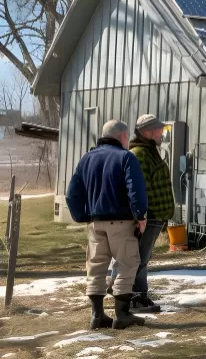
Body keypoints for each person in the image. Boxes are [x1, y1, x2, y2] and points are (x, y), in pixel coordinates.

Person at [65, 120, 149, 330]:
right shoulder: (126, 157)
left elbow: (72, 193)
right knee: (126, 264)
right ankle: (122, 315)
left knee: (96, 266)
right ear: (121, 136)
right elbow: (135, 189)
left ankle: (97, 315)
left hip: (95, 222)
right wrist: (140, 215)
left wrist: (81, 216)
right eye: (127, 136)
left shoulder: (86, 159)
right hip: (122, 221)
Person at [108, 115, 172, 314]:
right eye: (158, 130)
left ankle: (129, 293)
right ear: (146, 132)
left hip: (154, 216)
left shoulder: (150, 152)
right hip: (148, 216)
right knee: (139, 259)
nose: (162, 133)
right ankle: (137, 298)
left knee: (141, 258)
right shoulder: (139, 155)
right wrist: (142, 215)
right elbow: (138, 189)